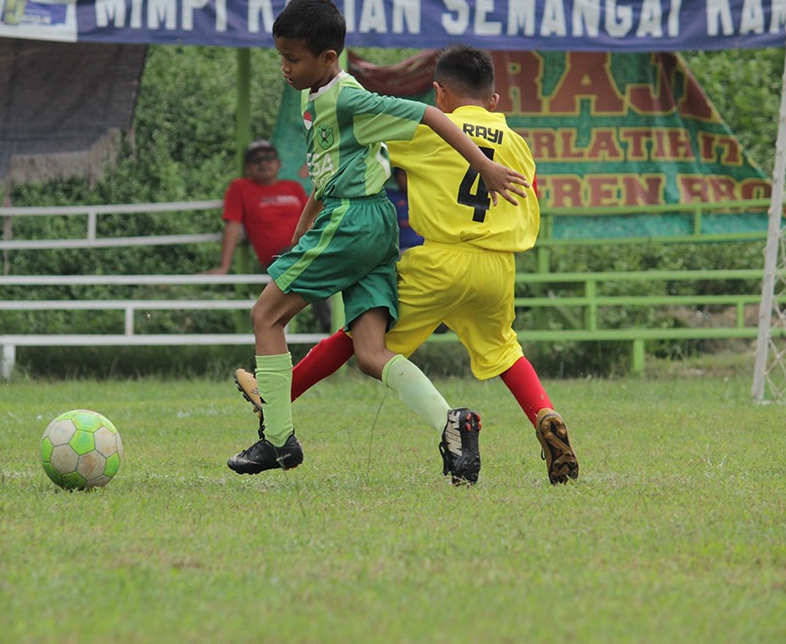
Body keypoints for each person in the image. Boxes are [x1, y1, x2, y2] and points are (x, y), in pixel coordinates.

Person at [234, 45, 580, 485]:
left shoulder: (430, 131)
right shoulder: (517, 144)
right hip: (497, 266)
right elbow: (528, 197)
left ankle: (277, 395)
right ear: (494, 100)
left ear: (439, 92)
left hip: (440, 261)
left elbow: (361, 155)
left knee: (364, 335)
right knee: (505, 350)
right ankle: (544, 412)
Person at [203, 139, 331, 332]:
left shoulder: (293, 187)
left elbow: (313, 218)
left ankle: (344, 327)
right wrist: (224, 267)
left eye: (269, 158)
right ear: (248, 167)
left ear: (278, 163)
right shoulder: (240, 188)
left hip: (308, 247)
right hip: (282, 256)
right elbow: (232, 226)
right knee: (311, 265)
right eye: (256, 160)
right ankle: (331, 326)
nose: (263, 163)